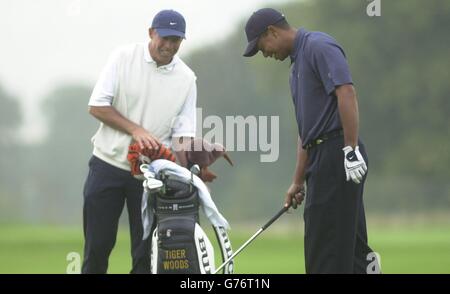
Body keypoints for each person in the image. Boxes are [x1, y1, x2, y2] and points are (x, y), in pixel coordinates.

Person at [243, 8, 378, 274]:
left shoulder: (319, 45)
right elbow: (307, 131)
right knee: (349, 247)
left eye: (262, 47)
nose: (266, 54)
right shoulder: (295, 69)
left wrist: (349, 150)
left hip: (336, 153)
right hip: (321, 157)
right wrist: (297, 179)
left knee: (325, 248)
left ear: (272, 31)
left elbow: (346, 91)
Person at [83, 9, 197, 273]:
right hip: (107, 166)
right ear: (151, 33)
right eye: (165, 38)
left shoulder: (187, 78)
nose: (169, 46)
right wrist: (136, 130)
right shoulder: (123, 58)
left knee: (147, 257)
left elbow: (182, 134)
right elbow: (97, 106)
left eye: (176, 41)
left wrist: (188, 174)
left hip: (153, 178)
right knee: (97, 249)